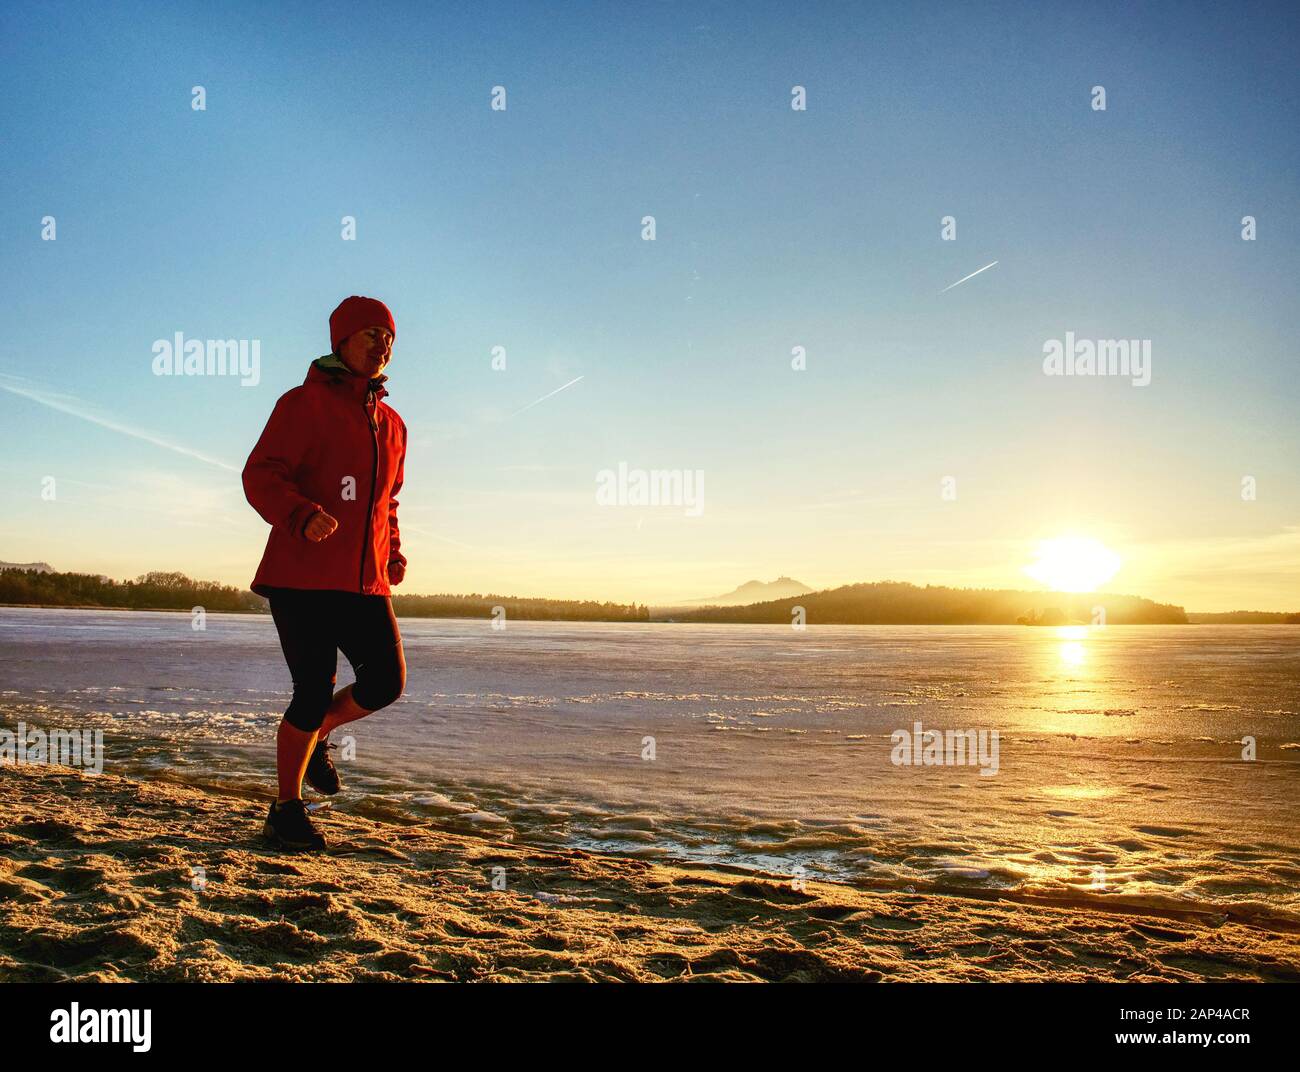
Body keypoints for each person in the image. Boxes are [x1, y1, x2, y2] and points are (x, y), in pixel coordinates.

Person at [242, 295, 408, 850]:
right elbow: (260, 473)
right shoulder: (302, 405)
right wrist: (301, 514)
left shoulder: (393, 425)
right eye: (369, 334)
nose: (381, 344)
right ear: (340, 341)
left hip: (364, 582)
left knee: (386, 682)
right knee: (312, 690)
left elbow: (387, 503)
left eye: (387, 336)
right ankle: (285, 809)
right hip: (302, 577)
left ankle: (319, 736)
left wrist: (393, 551)